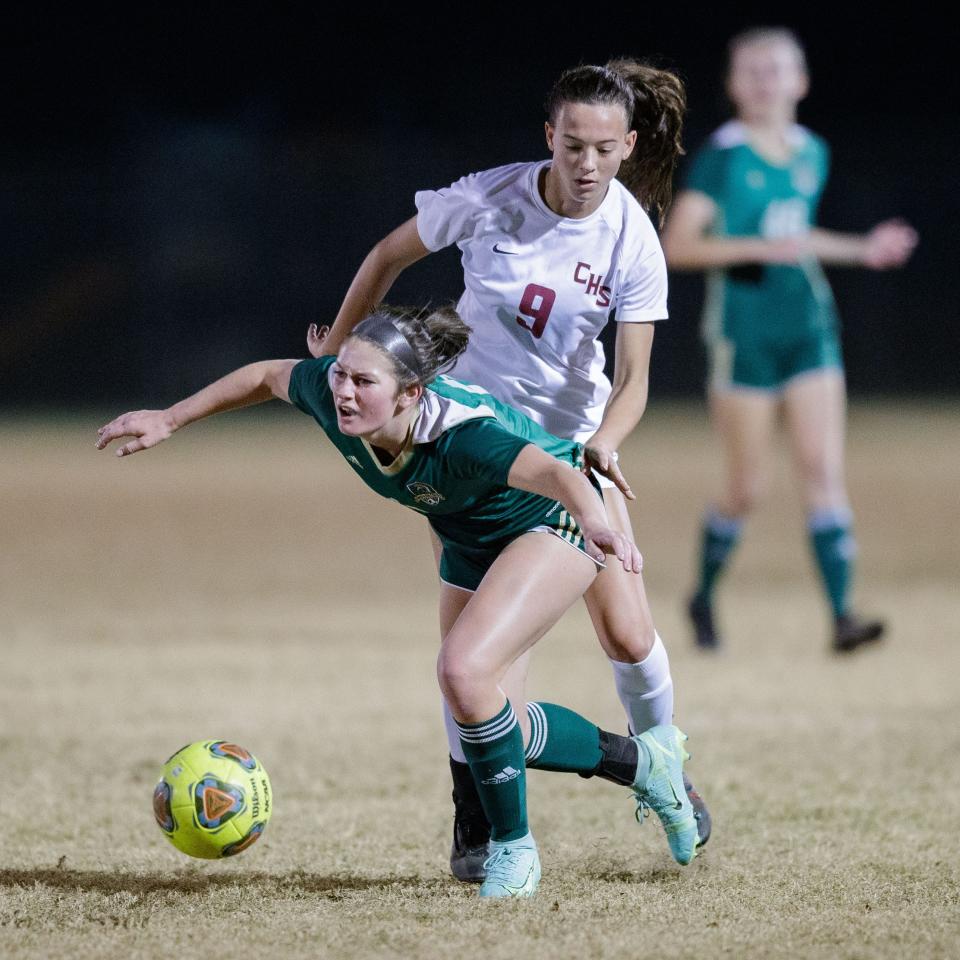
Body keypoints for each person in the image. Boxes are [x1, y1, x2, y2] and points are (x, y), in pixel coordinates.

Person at [96, 305, 701, 897]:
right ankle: (644, 766)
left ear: (411, 393)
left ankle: (512, 850)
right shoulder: (335, 402)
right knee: (489, 718)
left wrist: (597, 522)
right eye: (340, 375)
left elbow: (559, 475)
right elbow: (264, 376)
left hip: (556, 519)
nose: (344, 393)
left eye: (364, 381)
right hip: (471, 538)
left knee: (462, 670)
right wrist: (170, 419)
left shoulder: (462, 437)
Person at [310, 59, 711, 881]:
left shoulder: (633, 236)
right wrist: (342, 346)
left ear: (629, 145)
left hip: (563, 452)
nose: (587, 163)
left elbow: (633, 379)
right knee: (473, 661)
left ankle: (668, 769)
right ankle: (479, 827)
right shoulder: (491, 197)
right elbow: (388, 253)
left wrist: (603, 442)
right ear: (549, 138)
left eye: (604, 148)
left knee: (627, 632)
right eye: (572, 145)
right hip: (473, 447)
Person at [660, 27, 918, 654]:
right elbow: (679, 246)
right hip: (744, 337)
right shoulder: (723, 156)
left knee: (823, 470)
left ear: (800, 81)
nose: (765, 82)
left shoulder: (812, 151)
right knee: (748, 487)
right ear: (732, 85)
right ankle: (702, 596)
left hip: (808, 328)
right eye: (751, 71)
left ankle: (842, 618)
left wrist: (864, 248)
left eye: (776, 70)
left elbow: (796, 236)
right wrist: (753, 247)